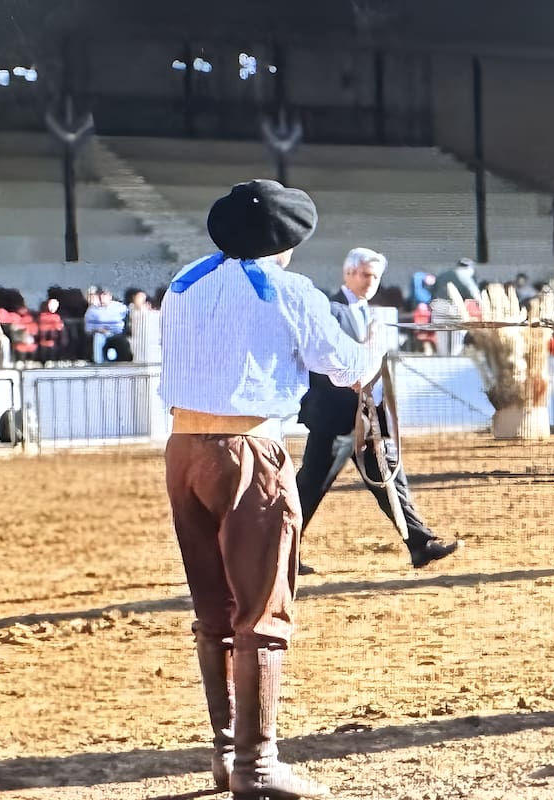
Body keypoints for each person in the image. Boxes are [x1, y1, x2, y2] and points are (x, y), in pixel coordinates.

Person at [159, 178, 374, 799]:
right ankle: (258, 765)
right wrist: (373, 350)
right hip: (249, 450)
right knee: (263, 610)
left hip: (183, 450)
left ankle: (228, 754)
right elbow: (346, 365)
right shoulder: (287, 289)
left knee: (214, 609)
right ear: (281, 243)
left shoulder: (182, 285)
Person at [296, 246, 461, 576]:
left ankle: (420, 543)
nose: (373, 283)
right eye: (368, 276)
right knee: (309, 489)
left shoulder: (367, 313)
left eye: (376, 277)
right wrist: (370, 345)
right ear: (350, 274)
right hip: (336, 417)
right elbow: (335, 360)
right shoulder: (331, 310)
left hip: (366, 416)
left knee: (390, 479)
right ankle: (277, 550)